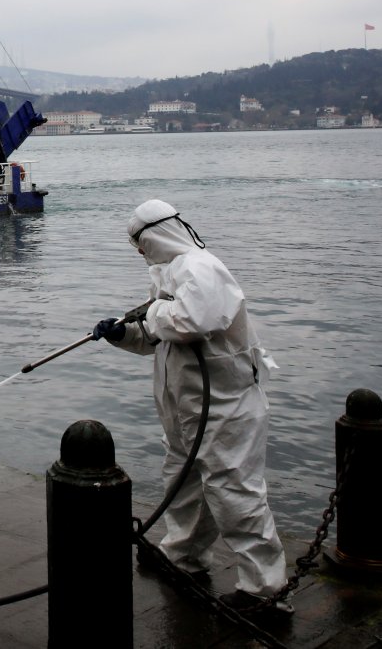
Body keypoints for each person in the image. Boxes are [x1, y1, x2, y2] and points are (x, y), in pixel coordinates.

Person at [92, 199, 286, 611]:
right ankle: (184, 557)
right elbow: (158, 337)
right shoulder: (167, 276)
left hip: (225, 408)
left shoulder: (200, 268)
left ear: (158, 235)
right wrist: (122, 333)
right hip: (187, 409)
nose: (140, 253)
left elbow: (194, 321)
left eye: (141, 244)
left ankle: (265, 591)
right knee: (183, 485)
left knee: (235, 493)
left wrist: (153, 311)